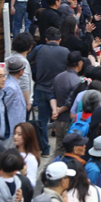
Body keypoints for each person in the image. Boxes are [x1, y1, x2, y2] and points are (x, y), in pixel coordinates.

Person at [28, 27, 70, 156]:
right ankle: (63, 147)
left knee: (42, 120)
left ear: (46, 39)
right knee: (62, 118)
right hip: (59, 90)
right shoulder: (65, 51)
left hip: (40, 88)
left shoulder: (39, 48)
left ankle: (45, 148)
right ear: (60, 40)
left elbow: (28, 60)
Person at [3, 59, 27, 139]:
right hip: (11, 127)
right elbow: (4, 107)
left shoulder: (13, 83)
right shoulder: (11, 87)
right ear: (21, 72)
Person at [13, 122, 41, 187]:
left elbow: (31, 184)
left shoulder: (31, 158)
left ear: (27, 136)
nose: (15, 136)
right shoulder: (12, 152)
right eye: (15, 133)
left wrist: (23, 175)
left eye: (19, 134)